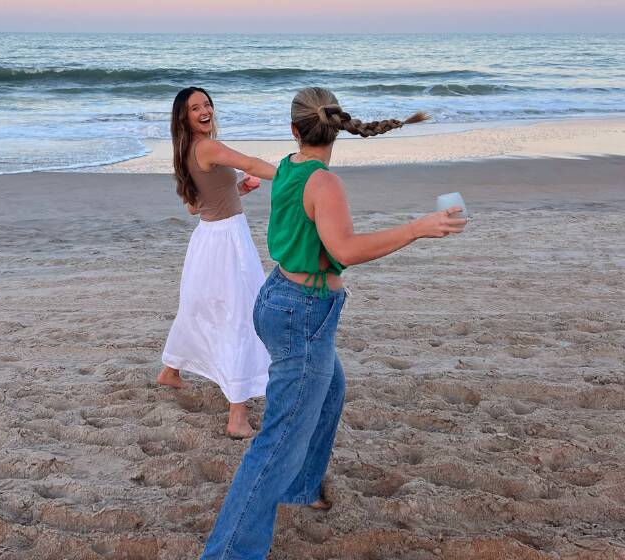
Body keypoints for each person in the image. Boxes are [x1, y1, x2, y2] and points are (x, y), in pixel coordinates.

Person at [201, 87, 467, 558]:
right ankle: (227, 553)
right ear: (337, 128)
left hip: (279, 300)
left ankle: (301, 488)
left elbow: (264, 172)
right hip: (302, 311)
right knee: (278, 439)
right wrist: (417, 228)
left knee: (329, 393)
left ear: (294, 130)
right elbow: (344, 251)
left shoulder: (289, 166)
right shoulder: (323, 183)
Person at [158, 87, 277, 439]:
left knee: (199, 309)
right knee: (240, 315)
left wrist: (236, 191)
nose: (205, 110)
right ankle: (237, 416)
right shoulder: (208, 147)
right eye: (196, 108)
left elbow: (195, 207)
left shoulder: (184, 151)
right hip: (227, 241)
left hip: (207, 239)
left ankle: (171, 371)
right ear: (185, 117)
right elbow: (251, 163)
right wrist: (296, 175)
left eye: (207, 104)